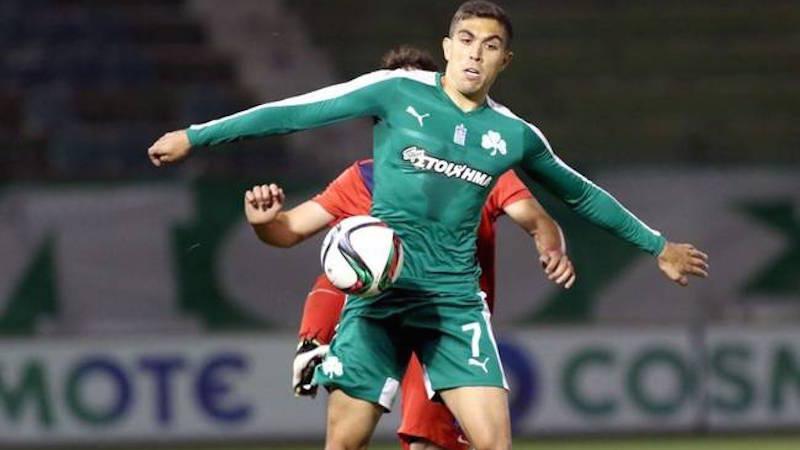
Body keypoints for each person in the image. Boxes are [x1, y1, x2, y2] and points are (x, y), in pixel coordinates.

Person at [147, 2, 709, 448]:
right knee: (344, 443)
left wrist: (656, 246)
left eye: (491, 46)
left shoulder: (513, 135)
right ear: (446, 47)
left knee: (493, 442)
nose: (475, 53)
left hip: (452, 305)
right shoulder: (396, 92)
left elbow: (578, 193)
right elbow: (295, 111)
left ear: (505, 61)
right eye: (466, 40)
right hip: (380, 298)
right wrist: (195, 136)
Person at [246, 47, 573, 450]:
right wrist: (264, 222)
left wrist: (550, 246)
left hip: (447, 325)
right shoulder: (360, 180)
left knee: (430, 444)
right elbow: (289, 231)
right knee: (344, 441)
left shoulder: (478, 166)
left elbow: (535, 218)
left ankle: (315, 343)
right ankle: (313, 343)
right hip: (380, 320)